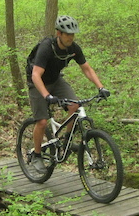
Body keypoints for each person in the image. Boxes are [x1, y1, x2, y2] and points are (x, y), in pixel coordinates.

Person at [26, 15, 110, 170]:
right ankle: (37, 155)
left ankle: (66, 141)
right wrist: (47, 96)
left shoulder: (74, 49)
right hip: (37, 83)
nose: (71, 37)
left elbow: (86, 68)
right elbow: (36, 75)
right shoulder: (46, 47)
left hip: (56, 80)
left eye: (73, 34)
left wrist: (100, 87)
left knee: (74, 106)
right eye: (67, 34)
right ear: (59, 34)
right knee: (42, 121)